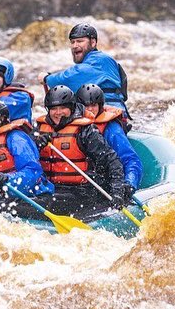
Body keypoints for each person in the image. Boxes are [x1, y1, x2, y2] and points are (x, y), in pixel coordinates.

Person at [28, 85, 131, 218]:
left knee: (49, 202)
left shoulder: (85, 131)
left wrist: (117, 191)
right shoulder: (39, 129)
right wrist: (36, 146)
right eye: (54, 108)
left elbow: (112, 162)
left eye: (62, 108)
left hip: (80, 192)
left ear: (71, 108)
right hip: (49, 187)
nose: (58, 112)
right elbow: (25, 160)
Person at [38, 23, 130, 115]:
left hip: (109, 110)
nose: (74, 45)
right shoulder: (96, 60)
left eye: (79, 41)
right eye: (72, 42)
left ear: (93, 42)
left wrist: (46, 78)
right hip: (103, 109)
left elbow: (69, 79)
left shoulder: (99, 60)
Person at [76, 83, 142, 190]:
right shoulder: (73, 125)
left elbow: (131, 160)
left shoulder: (112, 130)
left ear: (100, 106)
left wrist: (130, 183)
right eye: (85, 106)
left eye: (93, 105)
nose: (89, 109)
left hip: (105, 182)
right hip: (81, 186)